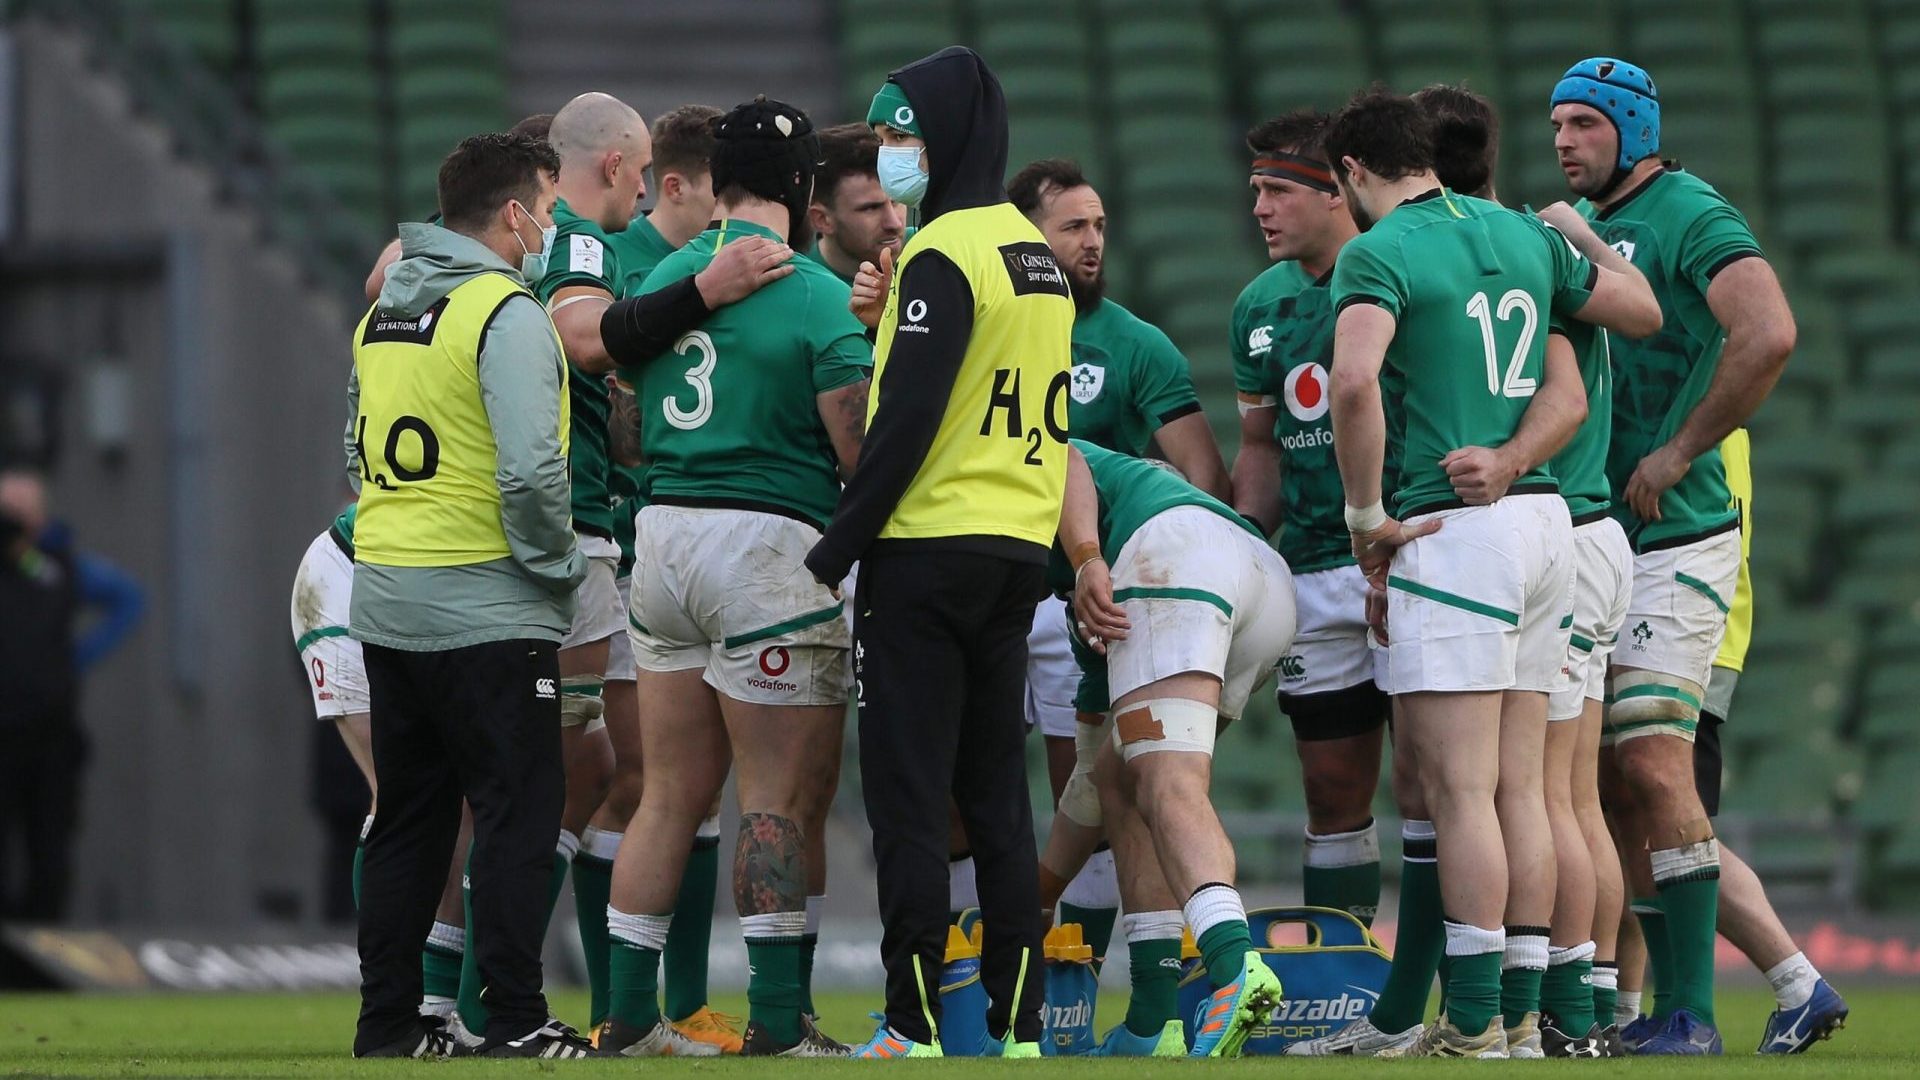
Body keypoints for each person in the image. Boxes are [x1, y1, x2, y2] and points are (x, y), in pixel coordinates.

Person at [1320, 86, 1658, 1059]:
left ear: (1351, 174)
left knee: (1461, 792)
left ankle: (1472, 1021)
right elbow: (1628, 316)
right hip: (1552, 519)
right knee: (1526, 793)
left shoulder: (1376, 253)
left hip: (1453, 526)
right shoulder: (1522, 236)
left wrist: (1365, 518)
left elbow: (1351, 384)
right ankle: (1514, 1013)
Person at [802, 46, 1074, 1059]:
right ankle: (1019, 1026)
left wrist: (835, 549)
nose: (890, 152)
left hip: (928, 549)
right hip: (1016, 547)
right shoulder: (1034, 254)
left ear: (949, 135)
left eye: (903, 133)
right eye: (882, 135)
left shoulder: (943, 251)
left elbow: (908, 418)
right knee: (998, 801)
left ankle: (911, 1024)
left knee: (911, 801)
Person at [1549, 56, 1820, 1056]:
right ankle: (1663, 1007)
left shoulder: (1691, 212)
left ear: (1632, 127)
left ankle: (1695, 1017)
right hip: (1605, 535)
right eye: (1556, 125)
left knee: (1658, 768)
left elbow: (1769, 331)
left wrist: (1677, 450)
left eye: (1583, 123)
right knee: (1617, 782)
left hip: (1683, 532)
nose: (1565, 140)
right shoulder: (1576, 227)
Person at [596, 97, 869, 1059]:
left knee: (667, 793)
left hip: (662, 539)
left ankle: (627, 1016)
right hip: (767, 549)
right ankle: (778, 1021)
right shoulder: (817, 295)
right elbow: (857, 451)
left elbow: (625, 431)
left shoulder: (673, 276)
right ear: (803, 191)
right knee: (773, 801)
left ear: (718, 182)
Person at [345, 132, 592, 1059]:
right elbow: (532, 474)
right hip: (489, 605)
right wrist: (554, 565)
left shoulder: (381, 316)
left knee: (409, 818)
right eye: (546, 203)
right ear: (512, 213)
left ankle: (388, 1024)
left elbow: (353, 452)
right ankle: (519, 1020)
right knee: (519, 811)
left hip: (389, 602)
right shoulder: (505, 311)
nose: (555, 220)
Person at [1416, 82, 1644, 1058]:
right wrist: (1584, 239)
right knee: (1562, 796)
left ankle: (1534, 1012)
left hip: (1549, 517)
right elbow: (1637, 307)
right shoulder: (1532, 243)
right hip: (1578, 532)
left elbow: (1643, 311)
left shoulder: (1483, 250)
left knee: (1536, 794)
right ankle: (1572, 1013)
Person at [1007, 156, 1227, 967]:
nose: (1093, 242)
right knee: (974, 791)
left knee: (1092, 786)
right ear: (1027, 233)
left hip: (1085, 597)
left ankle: (1073, 976)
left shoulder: (1137, 345)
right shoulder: (992, 321)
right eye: (1073, 227)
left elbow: (1206, 478)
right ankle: (985, 973)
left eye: (1099, 225)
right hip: (995, 586)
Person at [574, 102, 741, 1053]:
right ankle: (616, 1002)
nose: (728, 218)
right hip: (627, 553)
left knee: (692, 781)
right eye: (717, 195)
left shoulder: (717, 269)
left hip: (669, 558)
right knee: (632, 780)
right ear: (672, 185)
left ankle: (684, 1003)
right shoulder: (621, 269)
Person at [1060, 441, 1296, 1057]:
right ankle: (1152, 1022)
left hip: (1177, 557)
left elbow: (1062, 457)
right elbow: (1091, 779)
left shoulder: (1023, 452)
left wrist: (1086, 557)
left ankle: (1234, 966)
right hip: (1264, 575)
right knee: (1123, 777)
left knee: (1169, 784)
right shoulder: (1147, 489)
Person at [1225, 112, 1389, 936]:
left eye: (1279, 190)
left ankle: (1470, 988)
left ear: (1337, 192)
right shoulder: (1260, 305)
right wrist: (1248, 541)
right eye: (1256, 189)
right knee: (1331, 788)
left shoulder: (1396, 268)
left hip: (1406, 555)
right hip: (1315, 568)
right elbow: (1261, 445)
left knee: (1443, 786)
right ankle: (1348, 979)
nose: (1259, 207)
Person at [290, 503, 472, 1019]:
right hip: (348, 583)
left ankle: (433, 997)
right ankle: (388, 995)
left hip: (410, 588)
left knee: (457, 801)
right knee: (398, 795)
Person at [1697, 435, 1846, 1054]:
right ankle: (1627, 1011)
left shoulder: (1697, 414)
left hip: (1689, 634)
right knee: (1649, 829)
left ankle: (1796, 983)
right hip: (1706, 630)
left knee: (1672, 831)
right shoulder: (1725, 423)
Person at [365, 114, 556, 302]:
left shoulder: (381, 310)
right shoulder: (512, 309)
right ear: (514, 213)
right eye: (549, 210)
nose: (552, 224)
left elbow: (375, 286)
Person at [806, 123, 909, 285]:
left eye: (896, 201)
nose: (894, 223)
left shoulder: (933, 252)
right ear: (822, 219)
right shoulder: (798, 285)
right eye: (871, 208)